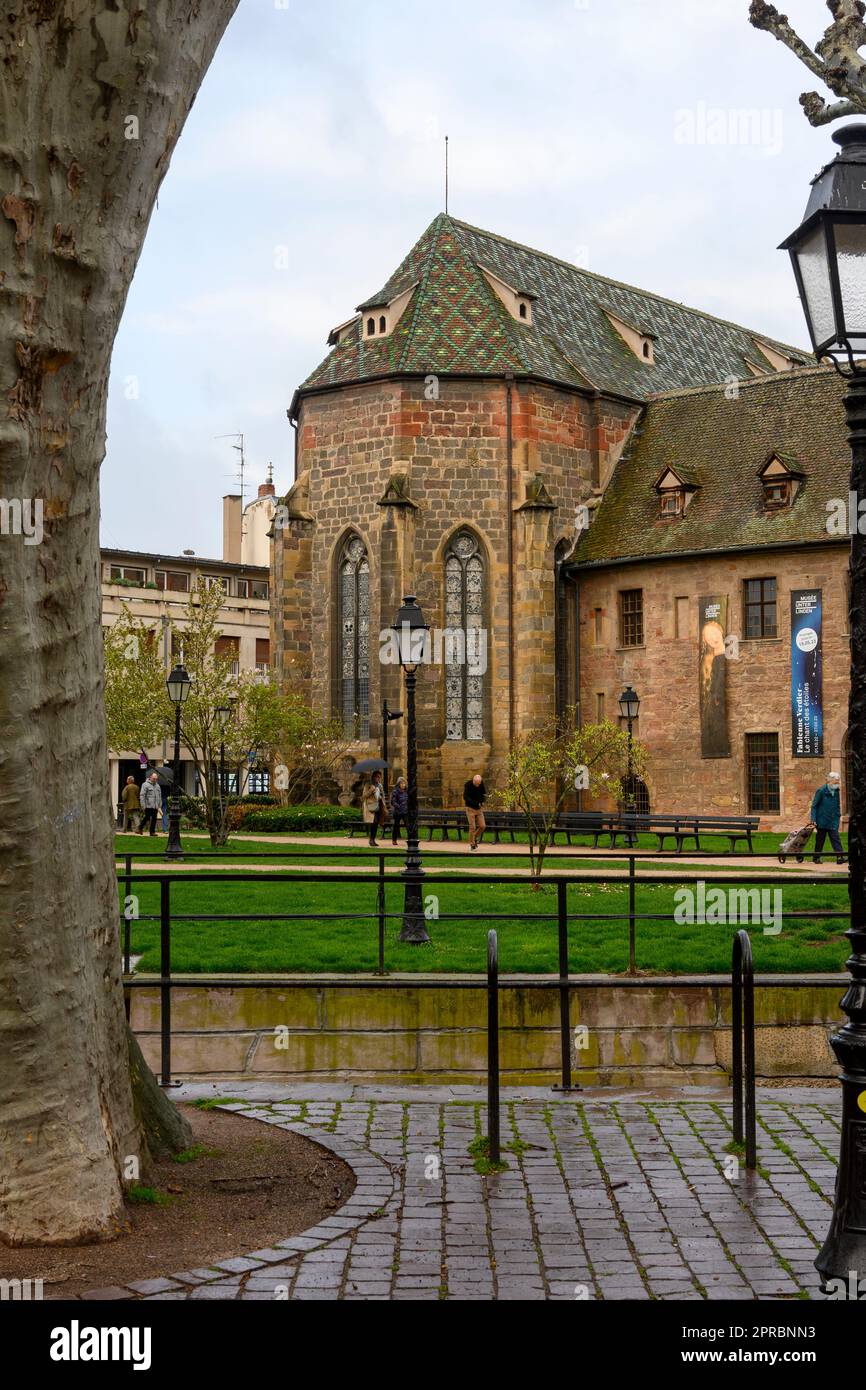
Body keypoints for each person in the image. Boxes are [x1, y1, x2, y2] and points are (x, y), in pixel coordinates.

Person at [810, 770, 844, 863]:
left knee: (835, 838)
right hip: (821, 820)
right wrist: (813, 819)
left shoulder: (836, 791)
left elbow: (837, 805)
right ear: (829, 781)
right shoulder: (821, 791)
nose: (837, 784)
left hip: (833, 820)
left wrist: (838, 815)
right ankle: (816, 857)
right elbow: (814, 806)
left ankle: (839, 857)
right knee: (820, 840)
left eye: (838, 782)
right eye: (835, 782)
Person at [463, 773, 486, 851]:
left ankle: (474, 837)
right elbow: (465, 797)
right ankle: (472, 844)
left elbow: (484, 794)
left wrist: (482, 801)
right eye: (476, 784)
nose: (477, 785)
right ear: (473, 781)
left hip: (479, 809)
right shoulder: (468, 785)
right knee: (472, 827)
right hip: (470, 808)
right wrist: (475, 803)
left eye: (479, 784)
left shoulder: (481, 784)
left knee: (482, 826)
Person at [362, 771, 386, 846]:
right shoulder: (368, 785)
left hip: (378, 806)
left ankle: (373, 839)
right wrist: (371, 789)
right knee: (373, 823)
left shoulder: (380, 785)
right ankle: (371, 840)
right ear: (373, 777)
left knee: (376, 824)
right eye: (377, 776)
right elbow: (364, 796)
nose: (378, 778)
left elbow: (382, 796)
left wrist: (381, 796)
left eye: (379, 777)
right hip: (371, 807)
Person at [139, 771, 162, 836]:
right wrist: (143, 805)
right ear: (150, 777)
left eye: (156, 779)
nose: (155, 780)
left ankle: (152, 832)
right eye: (154, 778)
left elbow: (159, 795)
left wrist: (159, 805)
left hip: (155, 805)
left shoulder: (158, 786)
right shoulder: (145, 784)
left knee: (154, 818)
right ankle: (140, 827)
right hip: (148, 805)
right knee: (147, 817)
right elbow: (142, 795)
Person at [390, 777, 408, 844]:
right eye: (402, 783)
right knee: (396, 826)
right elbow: (393, 801)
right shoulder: (395, 791)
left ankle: (410, 839)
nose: (403, 785)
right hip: (398, 812)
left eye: (404, 783)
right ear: (398, 784)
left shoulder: (407, 791)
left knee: (408, 825)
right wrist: (398, 806)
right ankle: (394, 839)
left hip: (405, 811)